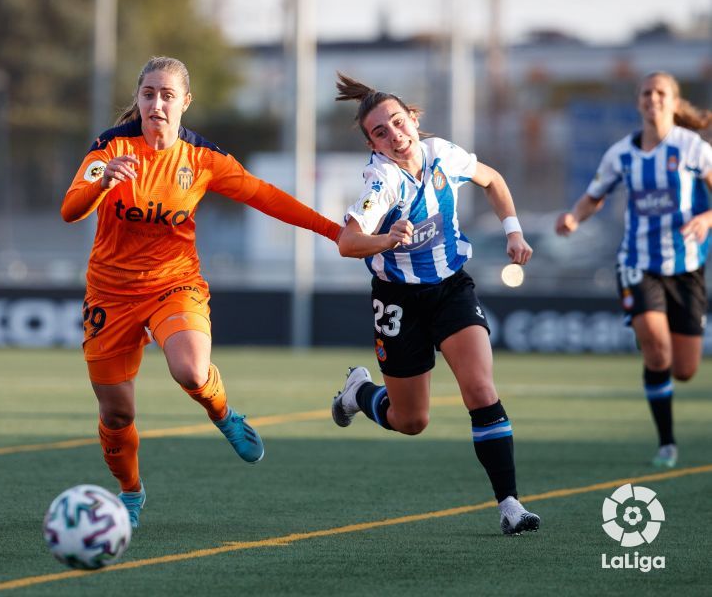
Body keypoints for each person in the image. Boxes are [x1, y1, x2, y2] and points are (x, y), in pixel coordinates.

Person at [61, 56, 341, 528]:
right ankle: (130, 491)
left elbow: (266, 196)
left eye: (168, 95)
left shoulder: (203, 159)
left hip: (175, 283)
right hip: (110, 294)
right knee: (116, 412)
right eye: (149, 94)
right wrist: (101, 185)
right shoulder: (109, 150)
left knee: (191, 371)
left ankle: (224, 413)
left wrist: (334, 233)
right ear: (138, 99)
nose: (157, 104)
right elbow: (70, 209)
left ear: (185, 103)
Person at [329, 72, 540, 535]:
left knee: (481, 391)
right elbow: (347, 242)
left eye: (398, 122)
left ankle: (510, 506)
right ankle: (359, 394)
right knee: (411, 420)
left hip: (451, 288)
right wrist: (385, 238)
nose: (394, 134)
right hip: (398, 300)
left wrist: (513, 230)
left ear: (414, 119)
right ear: (373, 144)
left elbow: (493, 179)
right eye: (380, 132)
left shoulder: (443, 153)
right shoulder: (380, 179)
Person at [556, 71, 712, 469]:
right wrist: (574, 218)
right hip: (636, 262)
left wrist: (707, 218)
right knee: (656, 348)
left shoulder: (692, 147)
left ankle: (660, 366)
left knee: (686, 369)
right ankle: (666, 443)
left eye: (661, 92)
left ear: (674, 102)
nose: (653, 98)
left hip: (687, 266)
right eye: (647, 92)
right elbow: (594, 197)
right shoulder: (620, 154)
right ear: (638, 101)